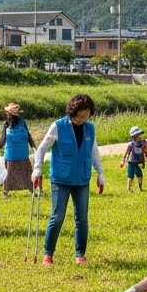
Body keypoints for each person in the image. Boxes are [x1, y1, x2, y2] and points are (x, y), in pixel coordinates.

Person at [34, 93, 106, 266]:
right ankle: (48, 254)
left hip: (82, 180)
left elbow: (94, 152)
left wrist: (100, 173)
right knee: (57, 217)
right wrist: (37, 169)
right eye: (80, 116)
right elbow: (41, 149)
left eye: (86, 116)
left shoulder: (90, 129)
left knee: (82, 219)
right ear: (72, 112)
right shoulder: (58, 126)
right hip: (61, 180)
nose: (82, 119)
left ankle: (80, 254)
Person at [0, 102, 36, 196]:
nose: (6, 114)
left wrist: (34, 148)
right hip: (11, 155)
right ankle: (5, 192)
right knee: (9, 175)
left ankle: (32, 191)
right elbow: (3, 138)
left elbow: (28, 136)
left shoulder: (22, 123)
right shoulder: (6, 124)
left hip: (23, 154)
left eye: (8, 113)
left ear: (12, 114)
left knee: (26, 174)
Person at [122, 126, 147, 193]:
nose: (141, 135)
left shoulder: (143, 143)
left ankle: (140, 188)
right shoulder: (132, 144)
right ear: (135, 136)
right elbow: (127, 152)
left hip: (137, 162)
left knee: (139, 175)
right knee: (131, 176)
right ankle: (129, 188)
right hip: (131, 162)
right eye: (139, 134)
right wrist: (123, 160)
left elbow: (145, 152)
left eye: (140, 134)